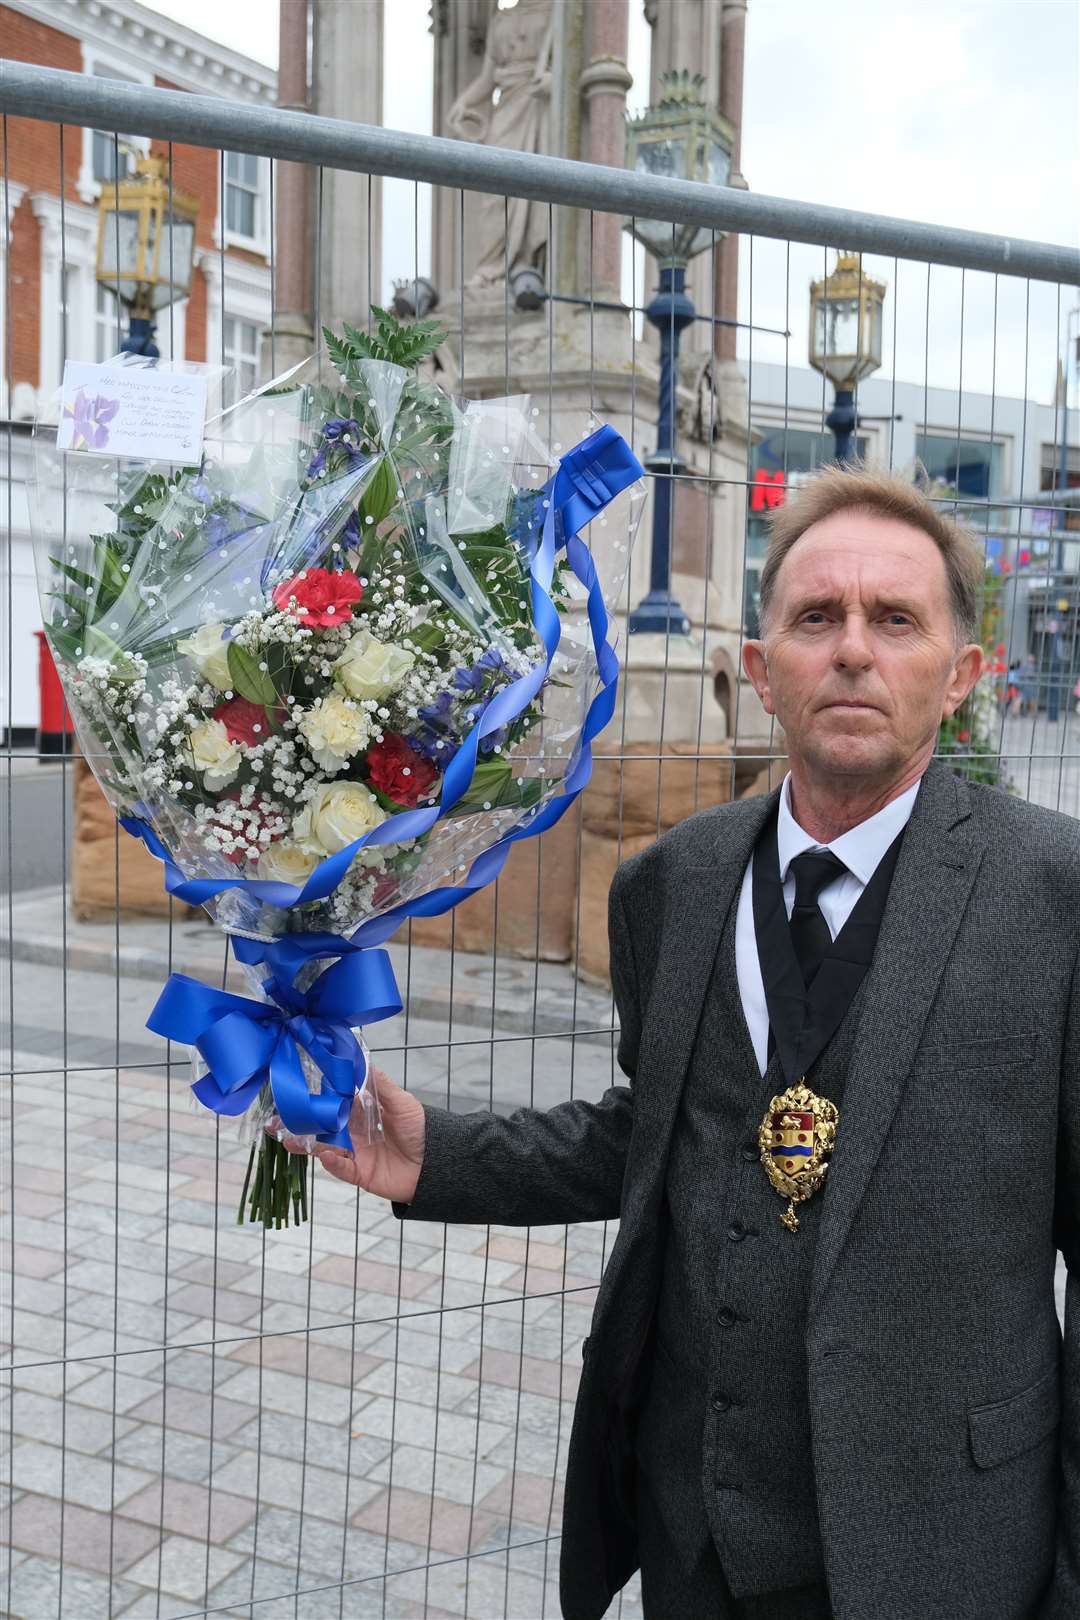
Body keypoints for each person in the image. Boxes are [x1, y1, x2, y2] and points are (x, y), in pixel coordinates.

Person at [277, 463, 1080, 1620]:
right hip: (692, 1541)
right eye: (816, 618)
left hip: (943, 1555)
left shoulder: (1051, 899)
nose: (852, 649)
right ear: (758, 671)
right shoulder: (673, 886)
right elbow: (658, 1132)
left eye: (894, 619)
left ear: (959, 675)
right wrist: (435, 1157)